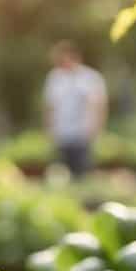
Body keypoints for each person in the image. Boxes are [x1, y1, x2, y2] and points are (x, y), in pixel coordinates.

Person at [43, 40, 107, 177]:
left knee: (83, 171)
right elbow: (50, 106)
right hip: (62, 132)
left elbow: (99, 106)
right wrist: (49, 129)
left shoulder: (91, 77)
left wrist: (97, 128)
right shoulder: (54, 77)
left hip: (83, 133)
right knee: (62, 172)